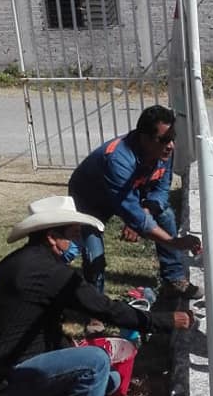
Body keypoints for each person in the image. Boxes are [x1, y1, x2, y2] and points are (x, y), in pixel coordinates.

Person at [0, 196, 195, 396]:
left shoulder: (19, 261)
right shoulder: (51, 273)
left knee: (111, 381)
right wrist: (165, 320)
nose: (78, 242)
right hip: (13, 376)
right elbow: (108, 310)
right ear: (53, 237)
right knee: (95, 363)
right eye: (73, 234)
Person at [68, 104, 202, 301]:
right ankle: (94, 309)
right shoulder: (118, 159)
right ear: (145, 138)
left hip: (127, 193)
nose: (171, 145)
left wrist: (145, 212)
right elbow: (132, 213)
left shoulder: (163, 152)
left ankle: (174, 280)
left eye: (172, 137)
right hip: (90, 200)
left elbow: (161, 189)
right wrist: (175, 242)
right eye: (164, 139)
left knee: (164, 214)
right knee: (92, 252)